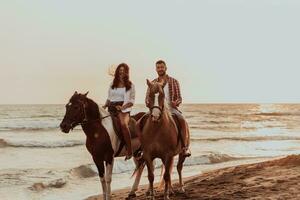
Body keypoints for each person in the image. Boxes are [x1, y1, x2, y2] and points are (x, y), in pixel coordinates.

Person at [145, 60, 191, 157]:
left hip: (171, 109)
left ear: (166, 68)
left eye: (162, 67)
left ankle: (184, 147)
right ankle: (141, 147)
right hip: (156, 109)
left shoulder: (174, 81)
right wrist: (148, 103)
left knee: (182, 120)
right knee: (142, 121)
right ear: (156, 69)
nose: (160, 69)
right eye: (158, 67)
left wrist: (176, 102)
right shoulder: (152, 83)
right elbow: (147, 98)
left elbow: (179, 97)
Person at [103, 63, 135, 160]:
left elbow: (132, 101)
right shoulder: (112, 84)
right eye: (120, 70)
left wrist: (122, 107)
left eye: (123, 70)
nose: (121, 72)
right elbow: (109, 98)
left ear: (126, 72)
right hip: (111, 107)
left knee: (123, 124)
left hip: (124, 110)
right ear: (117, 72)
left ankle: (129, 151)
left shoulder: (130, 85)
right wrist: (104, 106)